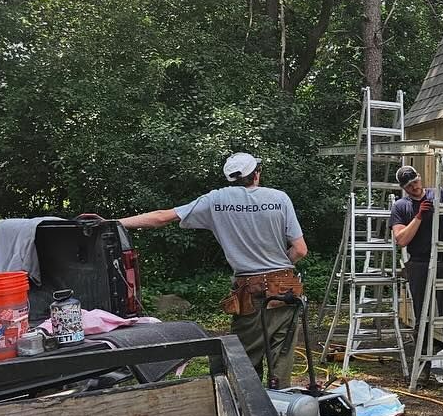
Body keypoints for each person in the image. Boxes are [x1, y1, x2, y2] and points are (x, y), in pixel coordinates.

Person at [119, 152, 308, 386]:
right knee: (282, 359)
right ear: (256, 174)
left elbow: (160, 217)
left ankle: (247, 411)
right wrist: (280, 265)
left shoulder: (216, 200)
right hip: (287, 289)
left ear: (230, 178)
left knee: (242, 360)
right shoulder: (280, 198)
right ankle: (283, 410)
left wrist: (114, 223)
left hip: (252, 293)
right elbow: (300, 250)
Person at [390, 165, 443, 391]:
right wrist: (419, 216)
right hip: (420, 264)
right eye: (408, 185)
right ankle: (422, 371)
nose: (414, 187)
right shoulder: (401, 207)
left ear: (420, 178)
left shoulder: (440, 194)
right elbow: (401, 239)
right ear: (403, 188)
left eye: (415, 181)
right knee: (422, 316)